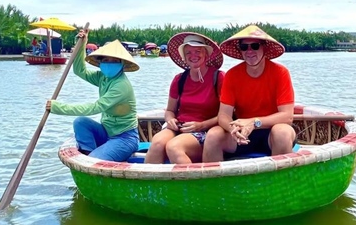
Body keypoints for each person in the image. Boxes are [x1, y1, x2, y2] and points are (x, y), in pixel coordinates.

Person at [202, 25, 296, 162]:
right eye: (244, 47)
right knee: (213, 136)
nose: (250, 51)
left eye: (255, 46)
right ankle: (213, 182)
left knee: (282, 132)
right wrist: (233, 128)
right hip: (242, 133)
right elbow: (223, 114)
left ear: (264, 48)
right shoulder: (232, 75)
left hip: (271, 131)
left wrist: (254, 123)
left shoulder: (280, 73)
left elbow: (287, 117)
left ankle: (280, 182)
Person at [47, 31, 139, 162]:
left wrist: (58, 108)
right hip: (106, 132)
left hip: (125, 138)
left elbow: (96, 107)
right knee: (80, 122)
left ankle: (93, 158)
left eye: (114, 61)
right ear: (100, 62)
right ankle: (89, 153)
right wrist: (81, 45)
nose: (109, 63)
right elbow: (80, 71)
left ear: (121, 64)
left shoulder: (121, 85)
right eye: (106, 60)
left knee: (93, 161)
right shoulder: (103, 77)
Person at [145, 33, 224, 164]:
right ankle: (148, 183)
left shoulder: (219, 77)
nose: (193, 56)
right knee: (157, 143)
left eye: (197, 51)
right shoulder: (179, 79)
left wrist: (200, 125)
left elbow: (226, 115)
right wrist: (170, 120)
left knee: (174, 147)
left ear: (206, 54)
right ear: (184, 58)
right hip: (180, 127)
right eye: (188, 53)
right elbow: (170, 110)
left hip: (207, 131)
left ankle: (195, 184)